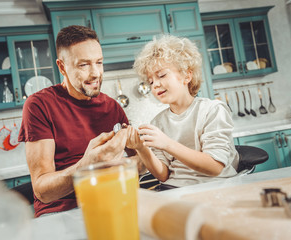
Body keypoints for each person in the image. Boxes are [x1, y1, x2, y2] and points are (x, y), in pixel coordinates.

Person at [18, 25, 133, 217]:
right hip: (60, 212)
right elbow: (42, 191)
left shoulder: (113, 107)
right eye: (84, 65)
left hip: (109, 204)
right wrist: (86, 165)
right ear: (62, 66)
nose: (95, 73)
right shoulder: (39, 105)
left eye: (99, 62)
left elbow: (139, 161)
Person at [127, 34, 239, 189]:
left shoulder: (212, 110)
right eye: (151, 81)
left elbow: (215, 167)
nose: (155, 85)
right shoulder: (158, 123)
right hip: (174, 190)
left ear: (186, 75)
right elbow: (163, 175)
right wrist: (141, 148)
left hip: (216, 187)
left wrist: (167, 143)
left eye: (161, 75)